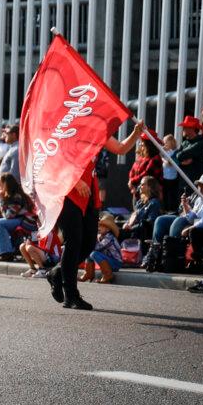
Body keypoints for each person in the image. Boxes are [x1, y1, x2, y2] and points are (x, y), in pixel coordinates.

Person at [46, 121, 144, 311]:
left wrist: (135, 133)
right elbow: (55, 160)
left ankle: (57, 272)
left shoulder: (98, 131)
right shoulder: (67, 129)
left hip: (89, 192)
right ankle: (71, 295)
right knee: (73, 242)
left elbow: (121, 148)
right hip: (68, 192)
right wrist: (74, 181)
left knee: (89, 243)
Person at [151, 173, 203, 249]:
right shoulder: (199, 199)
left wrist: (188, 229)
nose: (200, 187)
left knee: (180, 220)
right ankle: (157, 251)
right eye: (199, 184)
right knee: (161, 220)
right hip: (200, 224)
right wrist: (185, 205)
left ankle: (173, 253)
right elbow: (192, 218)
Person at [0, 173, 35, 261]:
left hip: (26, 221)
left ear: (7, 184)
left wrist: (1, 200)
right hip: (16, 219)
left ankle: (6, 254)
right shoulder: (5, 197)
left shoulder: (17, 196)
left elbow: (9, 216)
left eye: (1, 183)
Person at [81, 212, 122, 284]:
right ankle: (88, 274)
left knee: (94, 253)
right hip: (108, 261)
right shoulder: (100, 236)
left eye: (102, 226)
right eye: (98, 225)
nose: (99, 227)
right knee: (89, 252)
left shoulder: (109, 237)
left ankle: (108, 275)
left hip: (116, 263)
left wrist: (91, 241)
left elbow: (97, 248)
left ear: (108, 229)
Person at [173, 117, 203, 193]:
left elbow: (180, 155)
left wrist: (180, 159)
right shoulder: (185, 143)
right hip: (184, 181)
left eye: (185, 127)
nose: (183, 129)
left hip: (195, 183)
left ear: (192, 128)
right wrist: (181, 162)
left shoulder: (200, 144)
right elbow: (174, 157)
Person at [124, 176, 162, 243]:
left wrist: (131, 228)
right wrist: (127, 223)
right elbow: (134, 216)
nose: (139, 186)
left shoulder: (154, 203)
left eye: (142, 184)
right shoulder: (139, 202)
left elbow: (149, 223)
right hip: (134, 232)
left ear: (149, 187)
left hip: (143, 236)